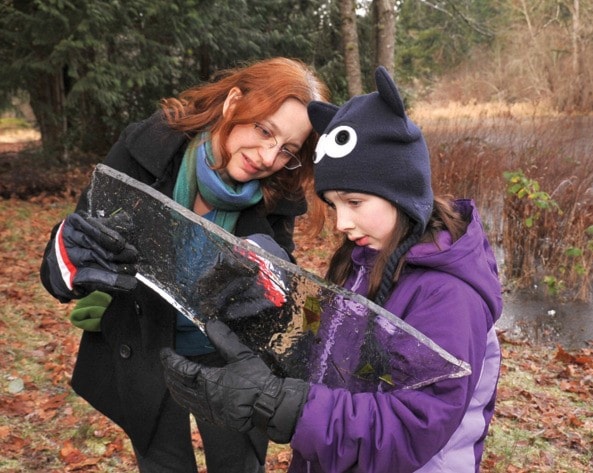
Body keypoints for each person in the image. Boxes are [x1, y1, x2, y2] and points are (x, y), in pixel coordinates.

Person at [161, 66, 503, 472]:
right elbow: (334, 352)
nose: (341, 223)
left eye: (354, 203)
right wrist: (274, 304)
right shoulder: (364, 261)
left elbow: (413, 426)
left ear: (403, 192)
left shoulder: (449, 295)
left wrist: (285, 405)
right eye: (334, 204)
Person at [39, 57, 330, 473]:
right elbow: (72, 253)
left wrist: (272, 270)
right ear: (233, 102)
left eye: (287, 150)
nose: (268, 156)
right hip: (144, 351)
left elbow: (283, 292)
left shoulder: (277, 191)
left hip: (230, 361)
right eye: (264, 130)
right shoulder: (148, 148)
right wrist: (67, 253)